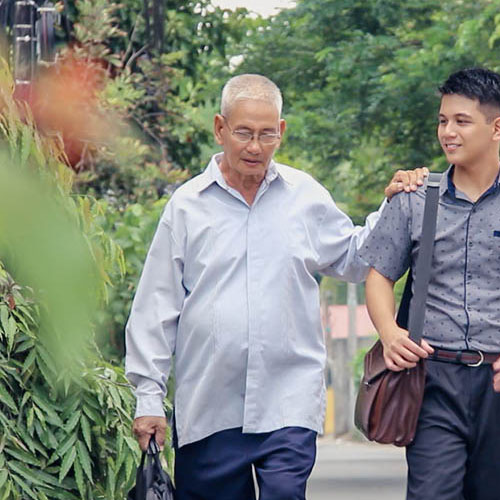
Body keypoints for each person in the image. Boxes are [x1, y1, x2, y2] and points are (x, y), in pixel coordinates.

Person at [125, 74, 425, 500]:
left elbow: (355, 256)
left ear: (281, 132)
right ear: (220, 128)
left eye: (267, 134)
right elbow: (156, 308)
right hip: (210, 407)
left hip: (287, 402)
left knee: (285, 493)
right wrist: (148, 398)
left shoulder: (303, 197)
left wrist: (392, 206)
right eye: (244, 132)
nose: (254, 146)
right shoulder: (187, 207)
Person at [361, 67, 500, 500]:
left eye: (461, 121)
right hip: (432, 379)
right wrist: (389, 334)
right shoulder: (414, 198)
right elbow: (378, 276)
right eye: (443, 121)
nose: (448, 132)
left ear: (497, 127)